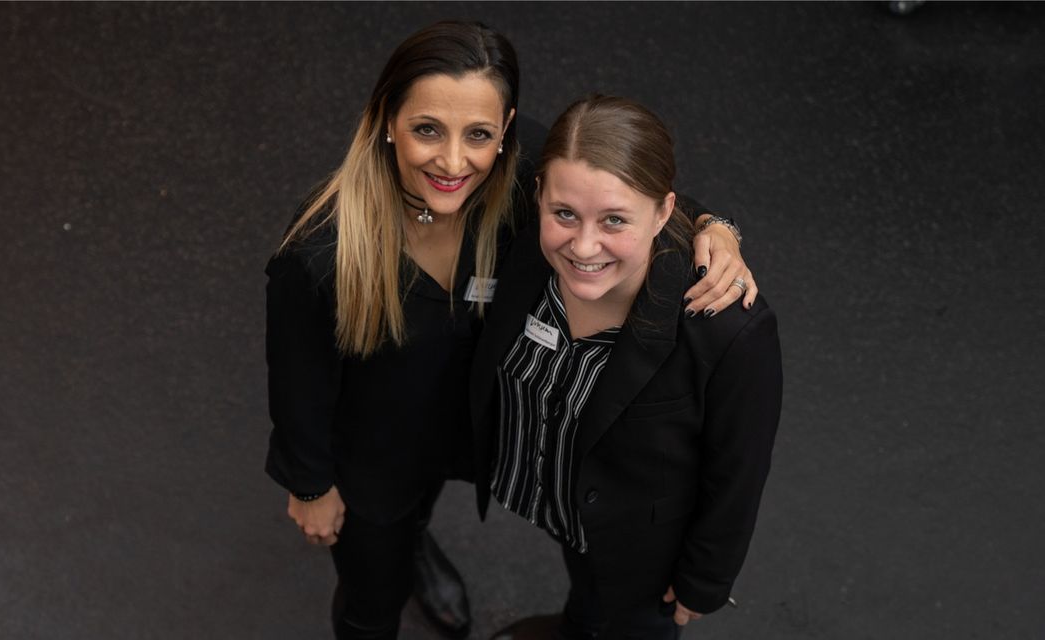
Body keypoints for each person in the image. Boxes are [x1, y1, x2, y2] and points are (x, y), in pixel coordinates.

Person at [265, 22, 753, 640]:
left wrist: (715, 227)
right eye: (426, 130)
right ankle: (401, 556)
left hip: (480, 423)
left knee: (432, 515)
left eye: (478, 134)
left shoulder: (523, 172)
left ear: (507, 130)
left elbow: (630, 189)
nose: (452, 162)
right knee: (371, 600)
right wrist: (310, 485)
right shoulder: (319, 250)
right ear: (387, 121)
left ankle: (416, 543)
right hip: (375, 452)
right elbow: (298, 382)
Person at [470, 95, 783, 640]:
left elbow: (738, 472)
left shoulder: (727, 329)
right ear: (538, 195)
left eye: (615, 220)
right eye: (564, 214)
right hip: (565, 507)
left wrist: (704, 581)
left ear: (663, 213)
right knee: (589, 597)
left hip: (643, 556)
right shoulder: (527, 250)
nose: (584, 246)